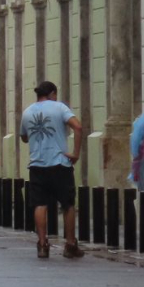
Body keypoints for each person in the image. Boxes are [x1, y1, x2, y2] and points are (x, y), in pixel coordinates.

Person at [20, 81, 85, 259]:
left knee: (40, 204)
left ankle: (42, 244)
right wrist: (76, 153)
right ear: (53, 93)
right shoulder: (59, 108)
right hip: (60, 163)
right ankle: (70, 244)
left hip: (37, 164)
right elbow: (78, 126)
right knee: (67, 204)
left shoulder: (27, 112)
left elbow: (24, 137)